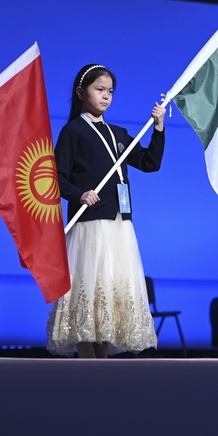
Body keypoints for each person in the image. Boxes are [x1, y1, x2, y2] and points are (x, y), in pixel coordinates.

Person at [46, 64, 165, 358]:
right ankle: (88, 364)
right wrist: (79, 193)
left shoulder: (118, 133)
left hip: (119, 225)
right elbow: (55, 178)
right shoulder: (73, 131)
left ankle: (103, 365)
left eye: (110, 91)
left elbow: (150, 163)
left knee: (109, 297)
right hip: (89, 226)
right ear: (80, 92)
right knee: (89, 294)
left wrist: (159, 127)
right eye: (99, 89)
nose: (106, 96)